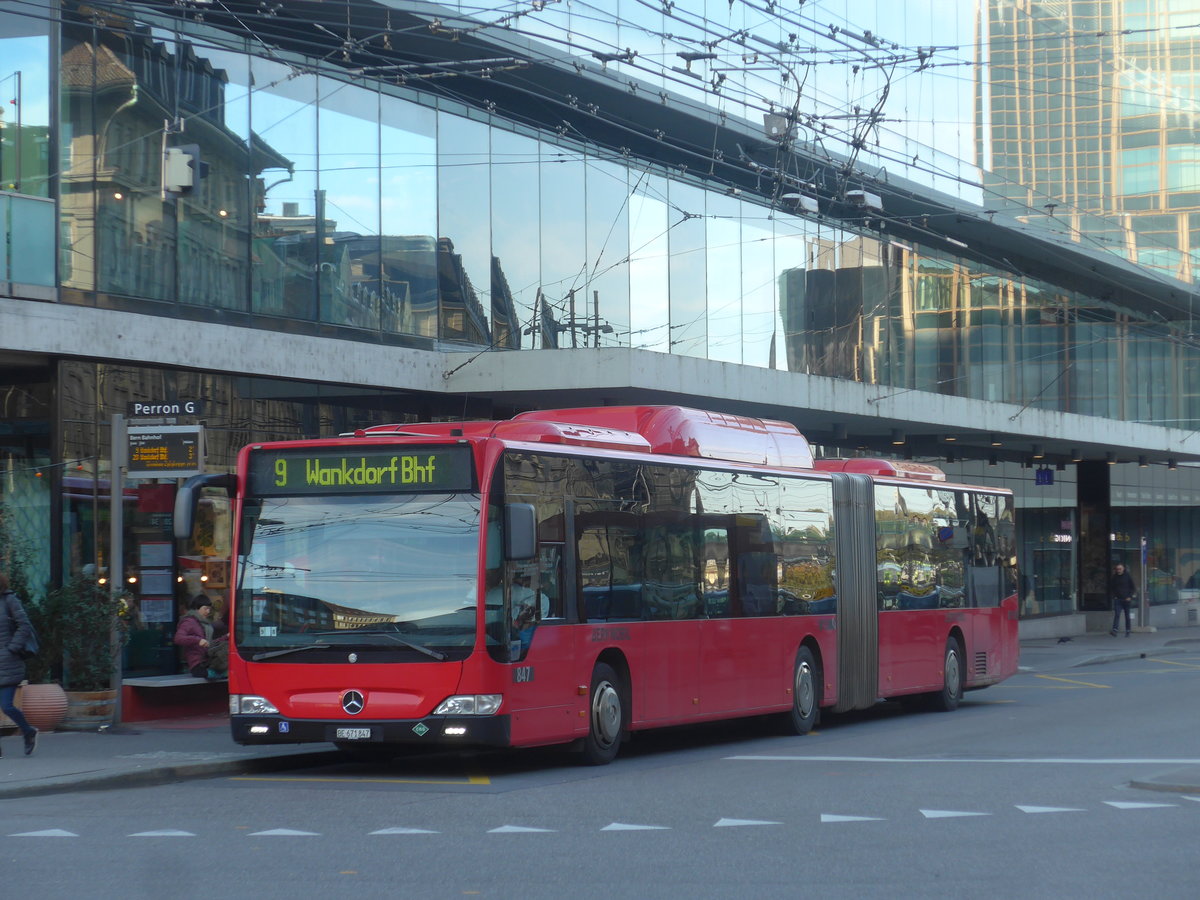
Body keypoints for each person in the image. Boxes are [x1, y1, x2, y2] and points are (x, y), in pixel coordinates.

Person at [0, 572, 39, 757]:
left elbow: (24, 625)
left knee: (7, 706)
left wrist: (12, 648)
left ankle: (28, 730)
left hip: (8, 663)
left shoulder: (9, 600)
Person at [174, 595, 226, 678]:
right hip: (197, 664)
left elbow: (210, 643)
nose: (208, 612)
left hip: (207, 661)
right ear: (197, 608)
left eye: (209, 609)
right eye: (205, 608)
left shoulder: (204, 623)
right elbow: (178, 638)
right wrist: (198, 640)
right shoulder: (189, 621)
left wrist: (226, 637)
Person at [1109, 563, 1136, 637]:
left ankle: (1128, 630)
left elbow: (1132, 587)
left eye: (1120, 569)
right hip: (1118, 599)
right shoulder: (1114, 577)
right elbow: (1112, 587)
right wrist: (1114, 596)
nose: (1119, 571)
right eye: (1117, 569)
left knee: (1127, 615)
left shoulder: (1127, 576)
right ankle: (1115, 630)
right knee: (1117, 614)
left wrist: (1130, 596)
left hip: (1126, 599)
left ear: (1123, 569)